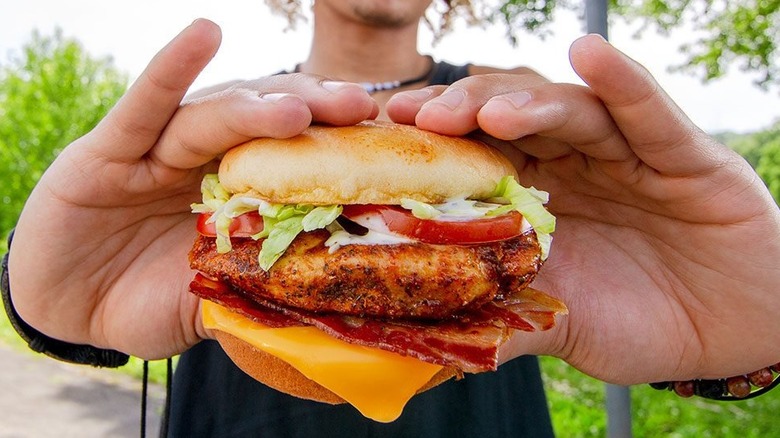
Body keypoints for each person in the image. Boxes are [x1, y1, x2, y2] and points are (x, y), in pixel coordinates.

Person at [2, 0, 779, 436]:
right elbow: (69, 297)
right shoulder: (224, 121)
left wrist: (750, 326)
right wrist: (41, 296)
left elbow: (718, 321)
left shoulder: (525, 122)